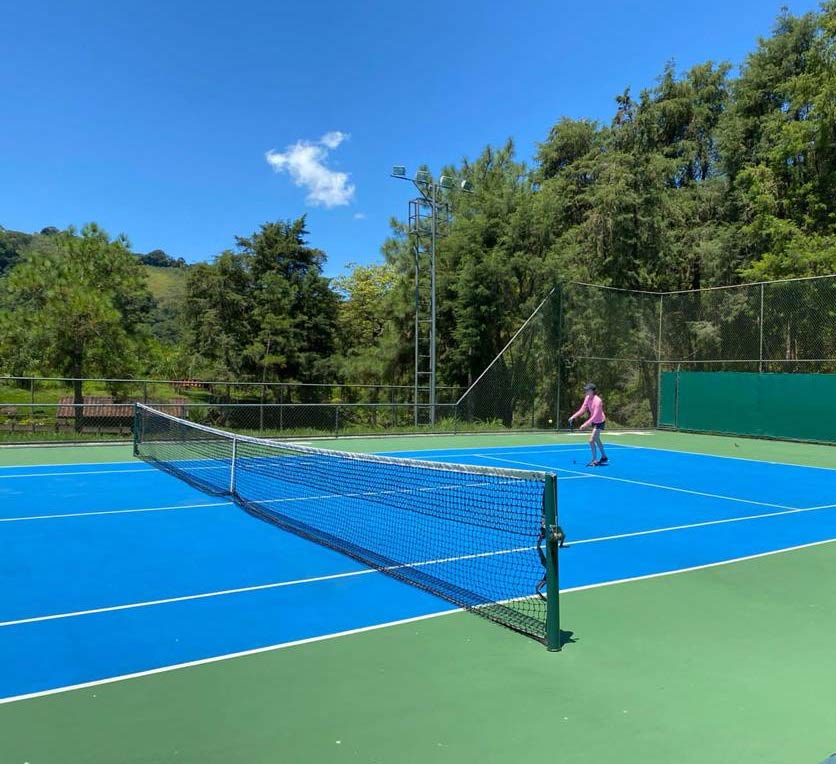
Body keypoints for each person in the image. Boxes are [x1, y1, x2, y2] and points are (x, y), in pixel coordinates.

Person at [568, 382, 608, 467]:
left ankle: (594, 460)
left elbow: (595, 415)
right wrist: (573, 417)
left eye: (587, 390)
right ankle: (604, 457)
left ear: (592, 391)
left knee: (591, 440)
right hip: (595, 421)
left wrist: (585, 424)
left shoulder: (598, 401)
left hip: (600, 421)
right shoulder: (587, 398)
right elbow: (582, 409)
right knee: (596, 439)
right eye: (586, 389)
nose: (586, 391)